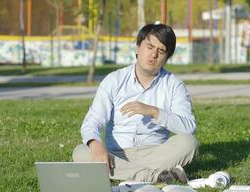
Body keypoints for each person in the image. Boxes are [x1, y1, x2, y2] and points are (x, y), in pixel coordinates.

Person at [72, 22, 198, 183]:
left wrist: (154, 112)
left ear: (166, 58)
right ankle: (153, 176)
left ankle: (127, 172)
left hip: (155, 153)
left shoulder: (174, 85)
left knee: (189, 143)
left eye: (161, 51)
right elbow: (93, 121)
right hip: (116, 153)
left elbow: (188, 127)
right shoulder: (114, 80)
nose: (153, 55)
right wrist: (96, 145)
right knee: (80, 152)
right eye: (150, 47)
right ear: (137, 47)